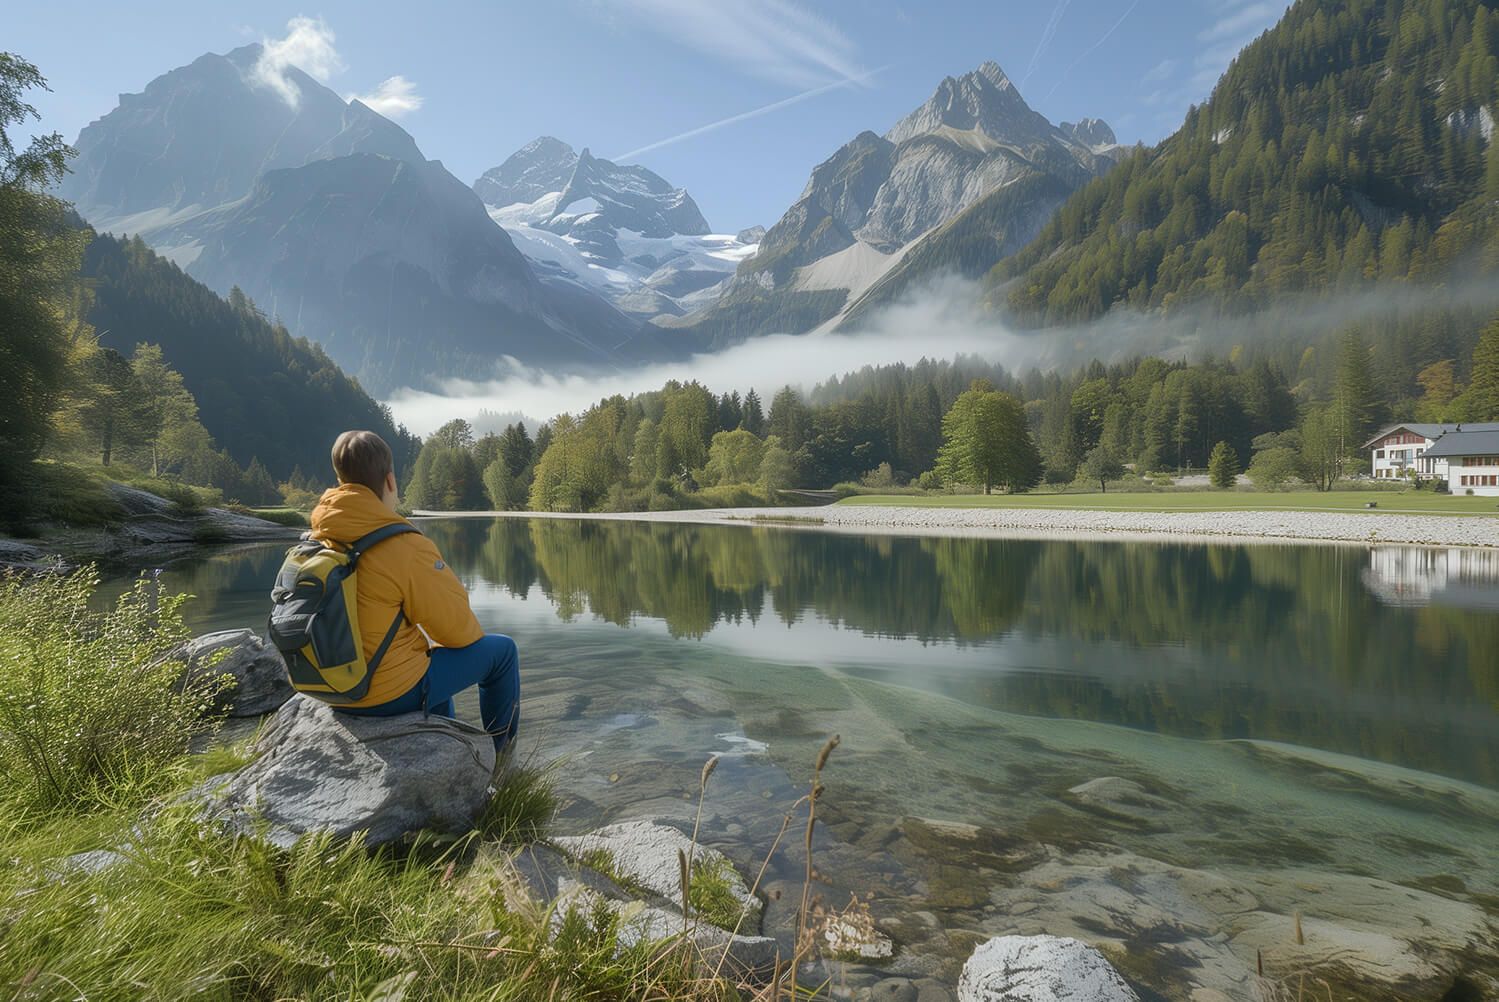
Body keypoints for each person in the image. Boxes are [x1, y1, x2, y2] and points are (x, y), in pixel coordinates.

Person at [308, 430, 519, 751]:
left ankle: (442, 743)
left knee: (424, 658)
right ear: (390, 481)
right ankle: (503, 759)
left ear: (340, 480)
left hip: (327, 689)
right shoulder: (400, 544)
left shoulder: (318, 537)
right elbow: (459, 633)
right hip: (380, 694)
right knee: (502, 652)